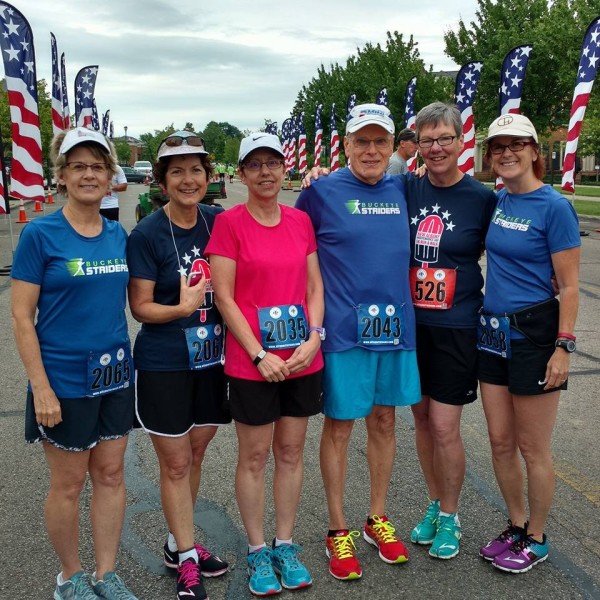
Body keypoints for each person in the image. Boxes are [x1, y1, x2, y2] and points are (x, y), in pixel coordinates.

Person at [11, 127, 138, 600]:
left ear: (110, 178)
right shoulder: (40, 234)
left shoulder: (115, 234)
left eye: (97, 166)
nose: (89, 174)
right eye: (78, 166)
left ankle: (107, 574)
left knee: (109, 475)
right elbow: (22, 316)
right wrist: (40, 387)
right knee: (68, 485)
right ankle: (71, 577)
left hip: (115, 376)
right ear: (61, 177)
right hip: (62, 380)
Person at [296, 104, 421, 581]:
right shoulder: (320, 193)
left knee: (385, 421)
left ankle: (377, 518)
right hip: (344, 332)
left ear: (393, 147)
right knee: (342, 427)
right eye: (361, 141)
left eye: (379, 142)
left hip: (396, 330)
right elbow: (298, 257)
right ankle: (337, 528)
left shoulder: (403, 188)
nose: (371, 150)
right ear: (346, 145)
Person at [206, 133, 324, 596]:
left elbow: (314, 288)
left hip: (300, 358)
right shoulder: (229, 224)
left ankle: (285, 544)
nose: (266, 172)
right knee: (254, 457)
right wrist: (258, 353)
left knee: (291, 453)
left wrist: (315, 338)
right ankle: (257, 550)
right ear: (241, 174)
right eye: (255, 165)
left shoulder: (299, 221)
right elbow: (225, 298)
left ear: (284, 167)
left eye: (273, 162)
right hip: (252, 361)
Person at [127, 131, 230, 600]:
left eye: (196, 170)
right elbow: (141, 308)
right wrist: (182, 308)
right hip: (164, 361)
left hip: (212, 359)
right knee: (175, 463)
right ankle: (187, 557)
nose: (188, 180)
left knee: (197, 453)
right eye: (177, 171)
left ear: (208, 176)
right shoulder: (148, 232)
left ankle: (176, 543)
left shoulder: (219, 221)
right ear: (162, 181)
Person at [477, 113, 580, 573]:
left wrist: (564, 346)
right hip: (492, 333)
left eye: (516, 145)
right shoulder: (499, 200)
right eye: (498, 147)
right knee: (499, 441)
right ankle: (516, 525)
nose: (506, 153)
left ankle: (536, 537)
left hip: (535, 335)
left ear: (536, 151)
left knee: (532, 447)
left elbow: (571, 286)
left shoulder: (554, 207)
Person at [406, 102, 497, 560]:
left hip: (457, 326)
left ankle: (452, 515)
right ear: (417, 145)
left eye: (444, 138)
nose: (436, 147)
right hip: (411, 326)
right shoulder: (406, 188)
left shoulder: (482, 198)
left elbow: (508, 252)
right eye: (427, 140)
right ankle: (435, 503)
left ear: (461, 141)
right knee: (421, 420)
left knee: (444, 425)